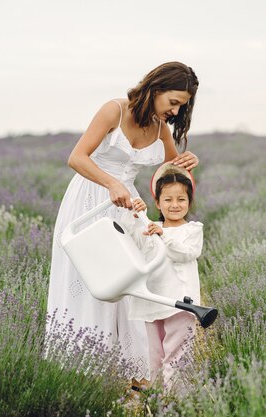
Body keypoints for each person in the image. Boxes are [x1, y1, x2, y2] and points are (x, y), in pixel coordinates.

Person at [45, 62, 200, 383]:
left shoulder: (160, 128)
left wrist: (188, 162)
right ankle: (84, 370)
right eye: (173, 101)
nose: (175, 110)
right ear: (156, 88)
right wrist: (111, 184)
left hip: (128, 207)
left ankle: (130, 374)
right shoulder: (114, 110)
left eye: (181, 106)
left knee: (130, 283)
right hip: (89, 201)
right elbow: (77, 158)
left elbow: (171, 168)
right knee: (91, 282)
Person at [121, 162, 203, 392]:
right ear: (157, 202)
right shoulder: (151, 227)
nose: (175, 205)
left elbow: (187, 253)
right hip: (152, 301)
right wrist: (135, 214)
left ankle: (176, 400)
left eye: (181, 199)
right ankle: (157, 398)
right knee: (154, 355)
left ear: (189, 202)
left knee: (176, 355)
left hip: (180, 303)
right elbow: (132, 242)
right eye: (167, 200)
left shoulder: (193, 230)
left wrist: (163, 235)